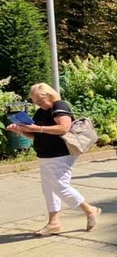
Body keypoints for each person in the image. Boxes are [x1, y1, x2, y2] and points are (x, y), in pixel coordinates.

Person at [7, 83, 101, 236]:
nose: (39, 104)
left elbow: (63, 128)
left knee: (59, 186)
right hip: (44, 154)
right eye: (35, 101)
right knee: (49, 188)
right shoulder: (40, 112)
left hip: (60, 153)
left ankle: (90, 210)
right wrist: (21, 130)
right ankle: (54, 222)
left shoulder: (59, 106)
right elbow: (34, 134)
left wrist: (37, 128)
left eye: (40, 100)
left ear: (49, 95)